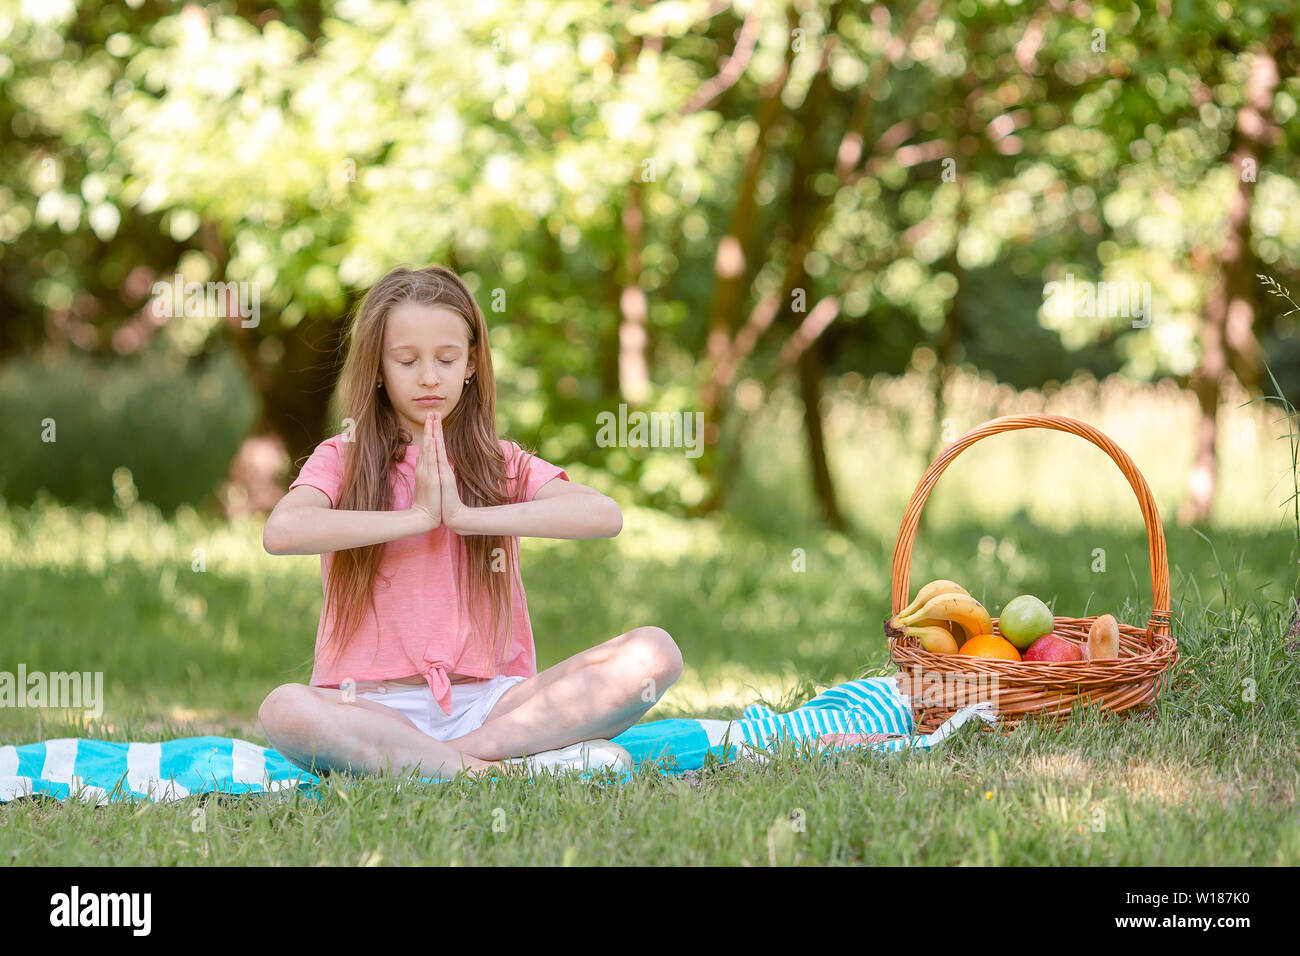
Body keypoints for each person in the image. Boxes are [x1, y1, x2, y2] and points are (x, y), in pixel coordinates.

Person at [257, 265, 683, 781]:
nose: (429, 376)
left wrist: (463, 516)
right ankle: (496, 771)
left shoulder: (500, 461)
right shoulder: (341, 458)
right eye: (407, 360)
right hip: (370, 709)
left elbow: (603, 515)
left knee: (654, 652)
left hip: (493, 706)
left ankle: (452, 759)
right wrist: (414, 518)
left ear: (471, 364)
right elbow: (282, 532)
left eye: (447, 358)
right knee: (283, 709)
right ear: (377, 367)